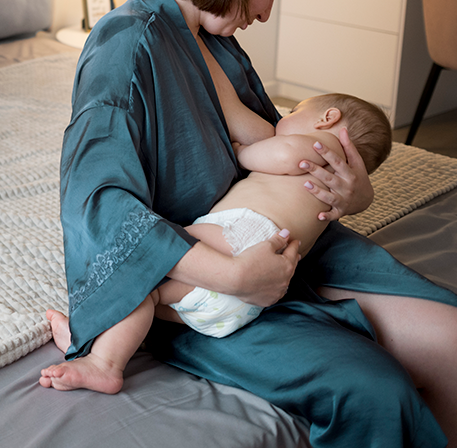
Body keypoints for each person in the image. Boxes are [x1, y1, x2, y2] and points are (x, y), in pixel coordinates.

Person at [37, 0, 457, 448]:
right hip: (188, 271)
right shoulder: (126, 43)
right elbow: (97, 206)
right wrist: (232, 277)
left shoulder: (211, 39)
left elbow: (276, 142)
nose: (264, 13)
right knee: (376, 392)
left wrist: (352, 195)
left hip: (278, 243)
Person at [39, 92, 390, 388]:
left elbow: (286, 155)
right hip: (244, 305)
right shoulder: (338, 189)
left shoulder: (325, 148)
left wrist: (239, 152)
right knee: (150, 296)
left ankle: (104, 364)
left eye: (295, 111)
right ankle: (93, 339)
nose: (285, 117)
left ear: (327, 118)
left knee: (140, 268)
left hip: (243, 237)